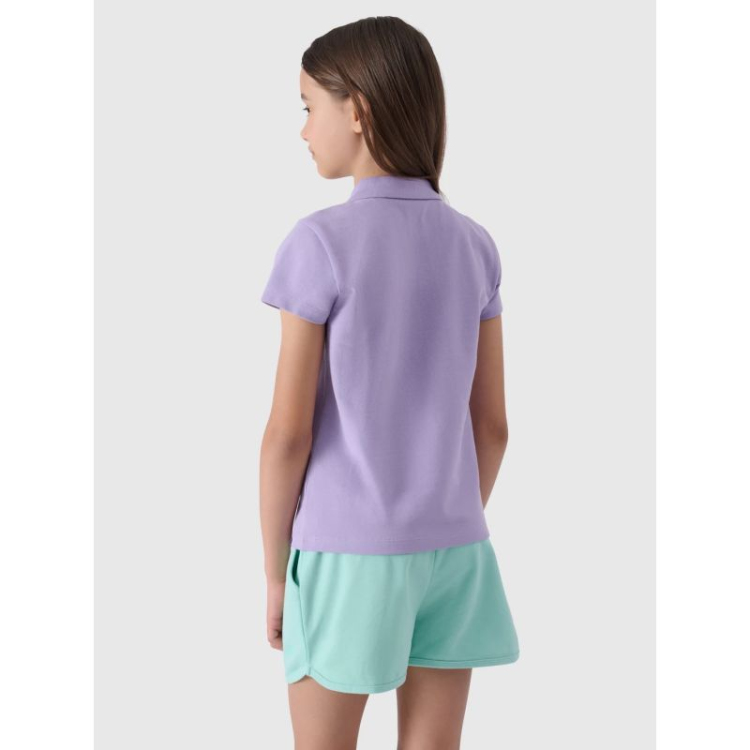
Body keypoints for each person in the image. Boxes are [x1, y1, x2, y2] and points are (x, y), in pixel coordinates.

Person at [259, 16, 519, 750]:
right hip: (456, 550)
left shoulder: (320, 244)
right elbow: (492, 427)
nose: (304, 129)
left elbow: (287, 435)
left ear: (359, 110)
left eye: (310, 105)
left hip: (346, 551)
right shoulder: (474, 245)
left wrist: (277, 575)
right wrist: (438, 516)